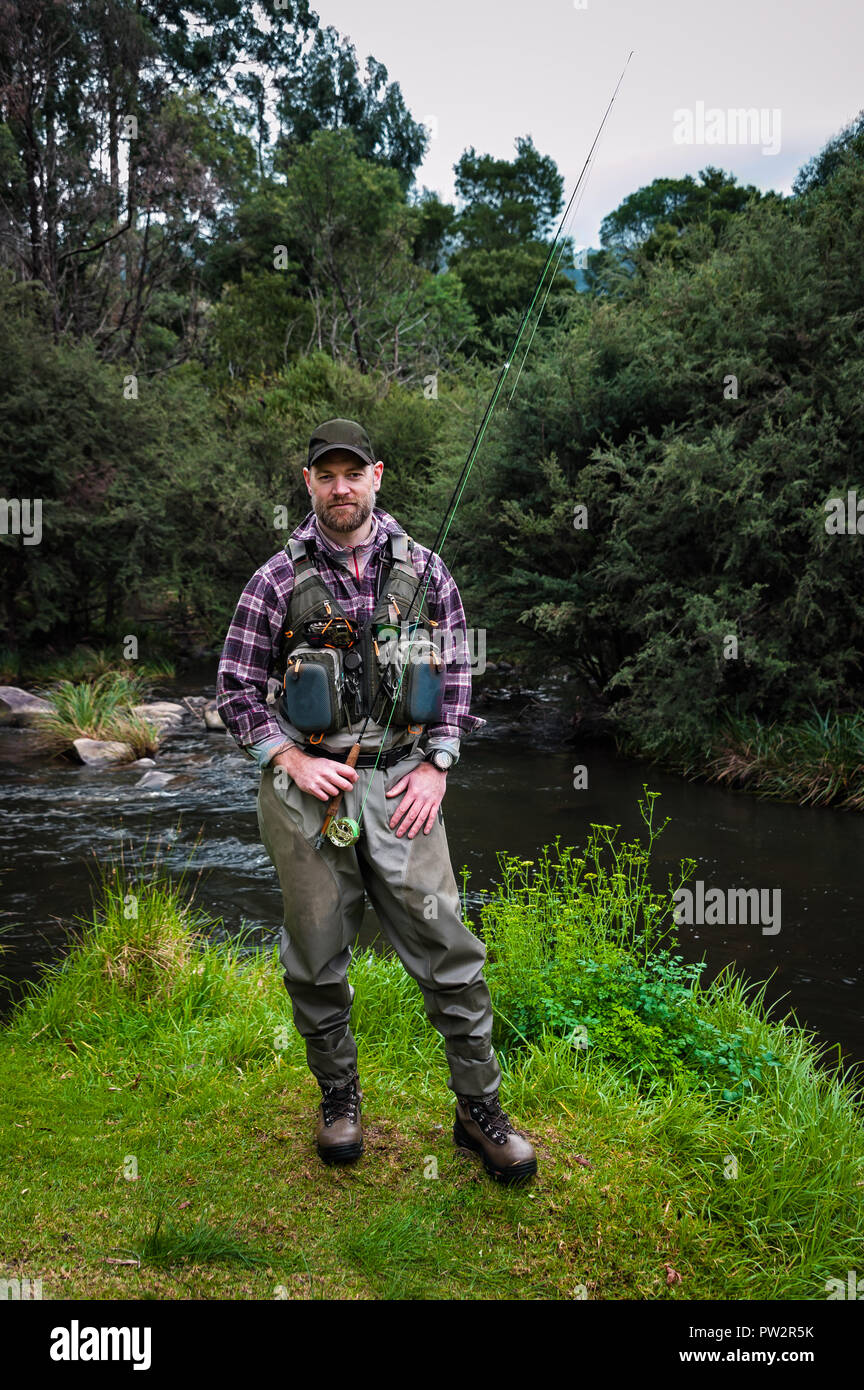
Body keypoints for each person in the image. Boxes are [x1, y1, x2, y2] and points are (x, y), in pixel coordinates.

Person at [216, 418, 537, 1184]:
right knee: (317, 957)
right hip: (307, 794)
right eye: (325, 475)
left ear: (377, 476)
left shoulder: (427, 572)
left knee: (452, 956)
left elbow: (457, 676)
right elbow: (233, 688)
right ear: (308, 485)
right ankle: (339, 1102)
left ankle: (479, 1112)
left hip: (404, 786)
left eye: (351, 473)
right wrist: (288, 756)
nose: (340, 487)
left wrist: (440, 764)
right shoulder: (273, 580)